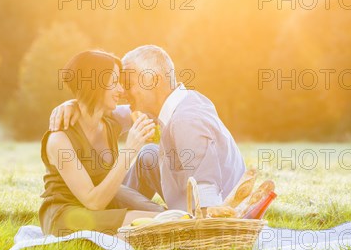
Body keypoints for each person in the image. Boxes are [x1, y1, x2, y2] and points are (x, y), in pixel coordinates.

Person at [50, 45, 245, 217]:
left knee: (134, 169)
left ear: (152, 80)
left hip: (216, 209)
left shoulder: (186, 121)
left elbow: (206, 186)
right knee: (147, 156)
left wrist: (208, 229)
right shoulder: (177, 102)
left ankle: (132, 214)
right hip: (188, 187)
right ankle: (112, 206)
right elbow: (108, 114)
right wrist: (75, 104)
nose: (123, 94)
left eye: (128, 84)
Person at [39, 49, 164, 237]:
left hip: (102, 207)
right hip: (67, 216)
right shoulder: (60, 140)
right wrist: (129, 151)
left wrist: (71, 103)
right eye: (114, 82)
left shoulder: (110, 123)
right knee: (153, 222)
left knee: (167, 216)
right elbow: (93, 202)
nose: (121, 91)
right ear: (94, 85)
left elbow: (153, 109)